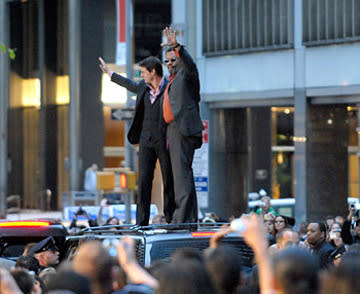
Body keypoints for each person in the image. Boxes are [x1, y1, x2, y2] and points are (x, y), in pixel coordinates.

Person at [99, 56, 175, 226]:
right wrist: (109, 73)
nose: (142, 76)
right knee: (144, 182)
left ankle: (170, 217)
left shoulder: (169, 88)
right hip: (146, 140)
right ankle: (142, 222)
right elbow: (129, 84)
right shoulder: (143, 88)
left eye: (143, 72)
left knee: (168, 179)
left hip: (164, 140)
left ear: (153, 72)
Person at [161, 27, 204, 223]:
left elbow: (190, 65)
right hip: (172, 129)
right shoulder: (170, 80)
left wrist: (177, 47)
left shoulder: (186, 76)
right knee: (179, 176)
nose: (170, 64)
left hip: (182, 128)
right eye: (167, 61)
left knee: (181, 176)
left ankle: (183, 219)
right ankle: (186, 217)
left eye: (173, 59)